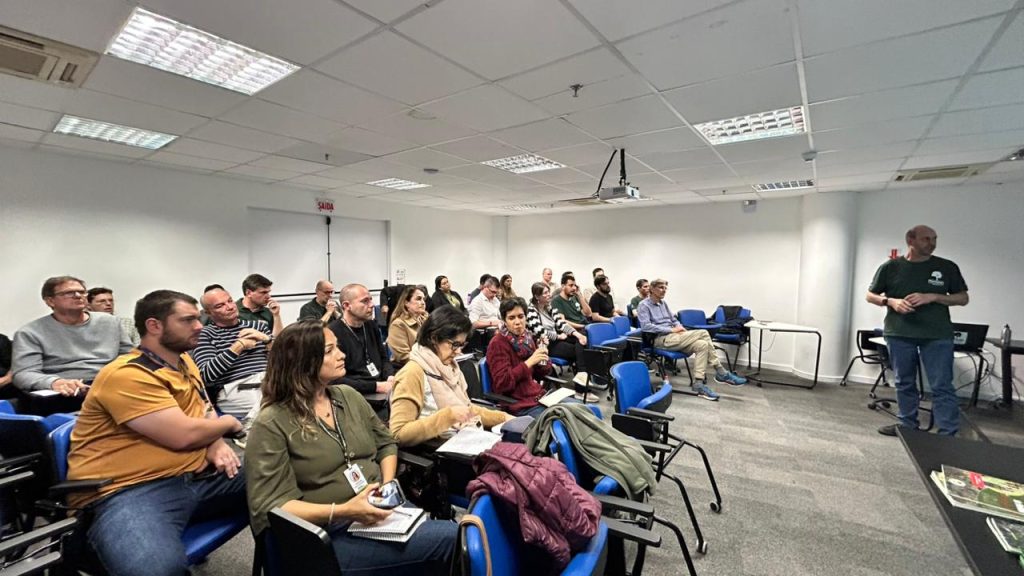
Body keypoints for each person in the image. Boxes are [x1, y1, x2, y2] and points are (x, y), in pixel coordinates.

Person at [245, 320, 457, 575]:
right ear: (302, 362)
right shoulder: (272, 423)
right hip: (325, 533)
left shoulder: (347, 396)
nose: (342, 354)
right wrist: (345, 510)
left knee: (455, 538)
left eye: (338, 347)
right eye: (330, 350)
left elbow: (386, 443)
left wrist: (387, 484)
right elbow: (272, 507)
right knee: (453, 539)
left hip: (377, 509)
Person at [67, 290, 246, 576]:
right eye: (187, 320)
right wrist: (228, 424)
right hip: (130, 490)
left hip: (198, 476)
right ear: (154, 326)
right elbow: (184, 436)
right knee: (157, 570)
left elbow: (204, 407)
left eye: (198, 318)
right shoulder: (127, 374)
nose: (199, 326)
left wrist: (215, 441)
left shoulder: (183, 361)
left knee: (295, 475)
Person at [867, 225, 969, 437]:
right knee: (904, 382)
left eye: (934, 239)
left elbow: (963, 298)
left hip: (937, 335)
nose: (932, 244)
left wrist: (934, 296)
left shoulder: (946, 267)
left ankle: (948, 433)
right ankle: (907, 426)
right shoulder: (891, 267)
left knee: (942, 385)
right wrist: (891, 302)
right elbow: (870, 295)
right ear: (910, 240)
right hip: (900, 333)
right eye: (926, 239)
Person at [390, 306, 513, 447]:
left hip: (462, 440)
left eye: (462, 345)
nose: (458, 351)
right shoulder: (412, 373)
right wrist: (447, 416)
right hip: (436, 452)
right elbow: (398, 434)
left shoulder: (450, 367)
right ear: (434, 338)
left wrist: (504, 417)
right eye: (455, 344)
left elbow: (466, 410)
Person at [12, 276, 133, 400]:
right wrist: (54, 382)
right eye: (69, 293)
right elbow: (23, 374)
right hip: (66, 389)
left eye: (82, 292)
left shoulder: (110, 322)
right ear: (50, 301)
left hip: (109, 382)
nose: (78, 296)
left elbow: (130, 356)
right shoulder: (30, 332)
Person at [638, 279, 746, 401]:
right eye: (661, 287)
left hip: (675, 337)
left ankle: (698, 383)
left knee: (702, 344)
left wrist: (679, 327)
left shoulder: (663, 303)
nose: (664, 290)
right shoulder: (644, 305)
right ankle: (720, 371)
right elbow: (646, 326)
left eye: (665, 288)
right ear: (652, 289)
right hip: (660, 339)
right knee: (703, 333)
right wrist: (671, 330)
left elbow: (674, 320)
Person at [487, 298, 580, 418]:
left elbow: (541, 374)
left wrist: (543, 361)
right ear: (504, 320)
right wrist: (529, 362)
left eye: (521, 316)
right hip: (520, 404)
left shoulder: (527, 338)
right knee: (569, 418)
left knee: (583, 409)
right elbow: (502, 384)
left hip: (539, 397)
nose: (517, 322)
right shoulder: (498, 343)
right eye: (511, 318)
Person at [193, 286, 270, 423]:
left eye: (230, 301)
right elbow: (206, 376)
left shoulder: (258, 326)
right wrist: (238, 346)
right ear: (208, 313)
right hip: (236, 387)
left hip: (269, 380)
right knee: (271, 410)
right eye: (220, 306)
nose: (230, 307)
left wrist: (267, 340)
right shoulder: (205, 334)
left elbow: (285, 359)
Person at [329, 284, 395, 400]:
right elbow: (335, 379)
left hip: (382, 387)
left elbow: (384, 358)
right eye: (365, 301)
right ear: (347, 306)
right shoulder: (333, 333)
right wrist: (375, 387)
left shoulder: (371, 325)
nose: (372, 305)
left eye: (371, 299)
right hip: (354, 394)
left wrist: (390, 376)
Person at [526, 282, 588, 366]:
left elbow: (561, 323)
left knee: (582, 337)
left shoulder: (548, 307)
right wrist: (558, 336)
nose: (549, 294)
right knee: (577, 350)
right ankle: (581, 370)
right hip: (546, 344)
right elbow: (541, 332)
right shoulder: (531, 311)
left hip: (556, 339)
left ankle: (581, 370)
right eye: (545, 293)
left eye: (548, 291)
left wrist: (578, 335)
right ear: (537, 296)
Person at [387, 285, 429, 367]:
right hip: (408, 367)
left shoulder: (426, 319)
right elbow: (403, 356)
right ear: (406, 303)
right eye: (418, 299)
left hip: (427, 363)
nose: (423, 303)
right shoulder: (398, 324)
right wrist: (430, 361)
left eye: (423, 299)